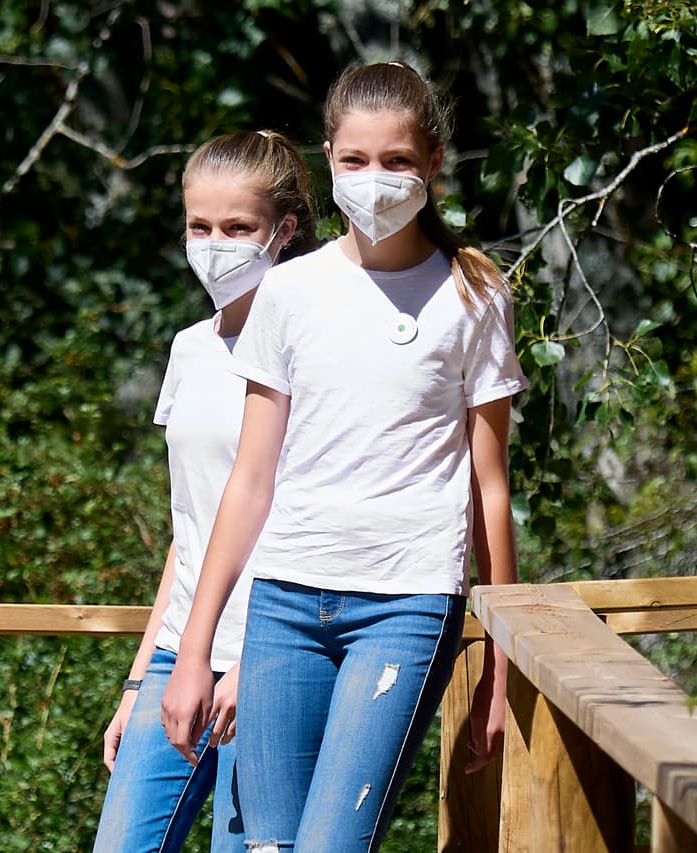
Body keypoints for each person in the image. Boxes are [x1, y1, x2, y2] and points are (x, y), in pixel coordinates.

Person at [160, 61, 528, 852]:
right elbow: (249, 481)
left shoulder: (474, 293)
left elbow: (490, 489)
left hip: (406, 602)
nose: (375, 179)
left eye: (397, 161)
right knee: (266, 845)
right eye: (355, 160)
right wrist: (192, 651)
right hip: (285, 602)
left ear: (432, 163)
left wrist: (502, 664)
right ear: (328, 159)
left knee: (331, 843)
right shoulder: (293, 292)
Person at [92, 129, 317, 853]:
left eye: (237, 228)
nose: (214, 244)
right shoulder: (189, 348)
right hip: (177, 654)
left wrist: (255, 659)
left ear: (282, 230)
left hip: (279, 649)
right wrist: (139, 682)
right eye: (200, 226)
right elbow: (189, 527)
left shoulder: (315, 347)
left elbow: (315, 519)